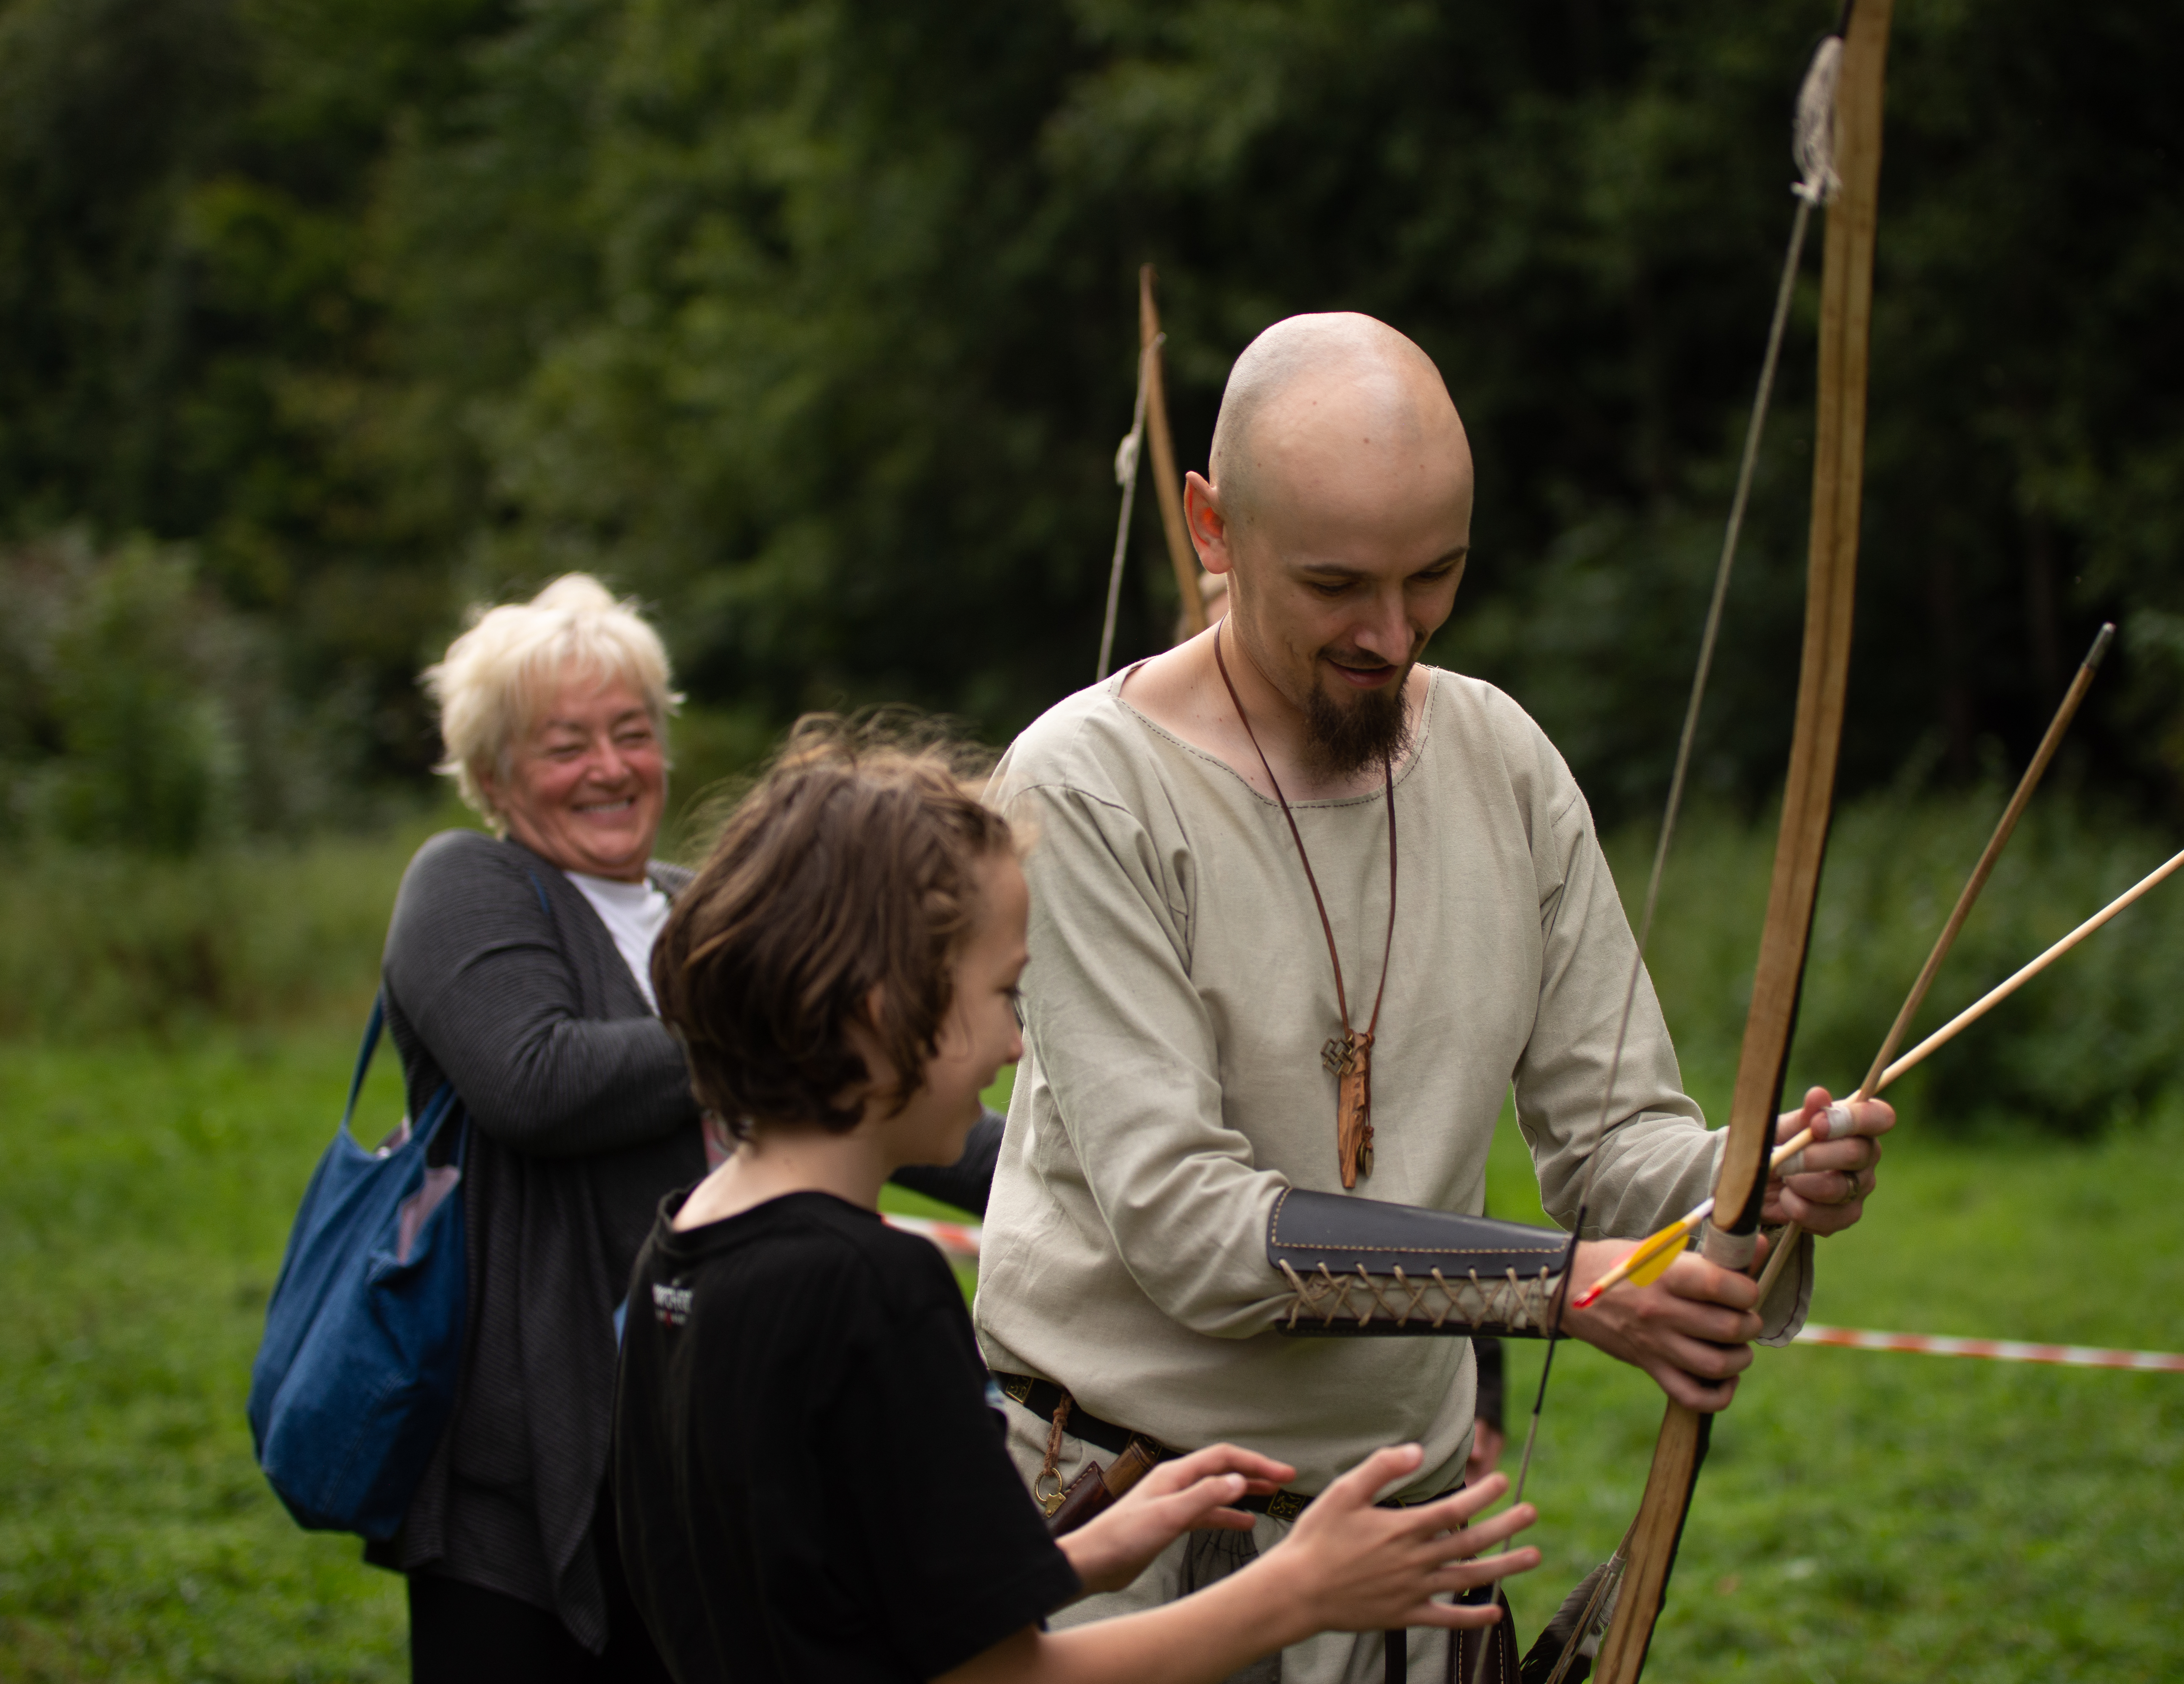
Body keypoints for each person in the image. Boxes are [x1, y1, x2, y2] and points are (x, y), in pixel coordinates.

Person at [976, 313, 1896, 1682]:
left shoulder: (1502, 759)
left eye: (1438, 577)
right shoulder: (1088, 785)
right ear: (1212, 528)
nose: (1392, 633)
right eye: (1339, 582)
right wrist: (1555, 1290)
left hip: (1400, 1557)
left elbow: (1613, 1149)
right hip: (1127, 1542)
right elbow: (1185, 1224)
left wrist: (1748, 1184)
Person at [611, 721, 1539, 1684]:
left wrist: (1083, 1553)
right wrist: (1299, 1589)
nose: (1018, 1044)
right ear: (884, 1012)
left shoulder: (683, 1248)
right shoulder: (871, 1289)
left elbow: (833, 1590)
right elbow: (1000, 1674)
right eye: (1005, 993)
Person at [374, 576, 995, 1680]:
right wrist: (774, 1016)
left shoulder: (700, 905)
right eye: (566, 744)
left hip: (695, 1424)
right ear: (490, 773)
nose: (611, 767)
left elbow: (857, 1089)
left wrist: (1056, 1180)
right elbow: (536, 1079)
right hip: (527, 1464)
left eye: (632, 733)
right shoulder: (466, 881)